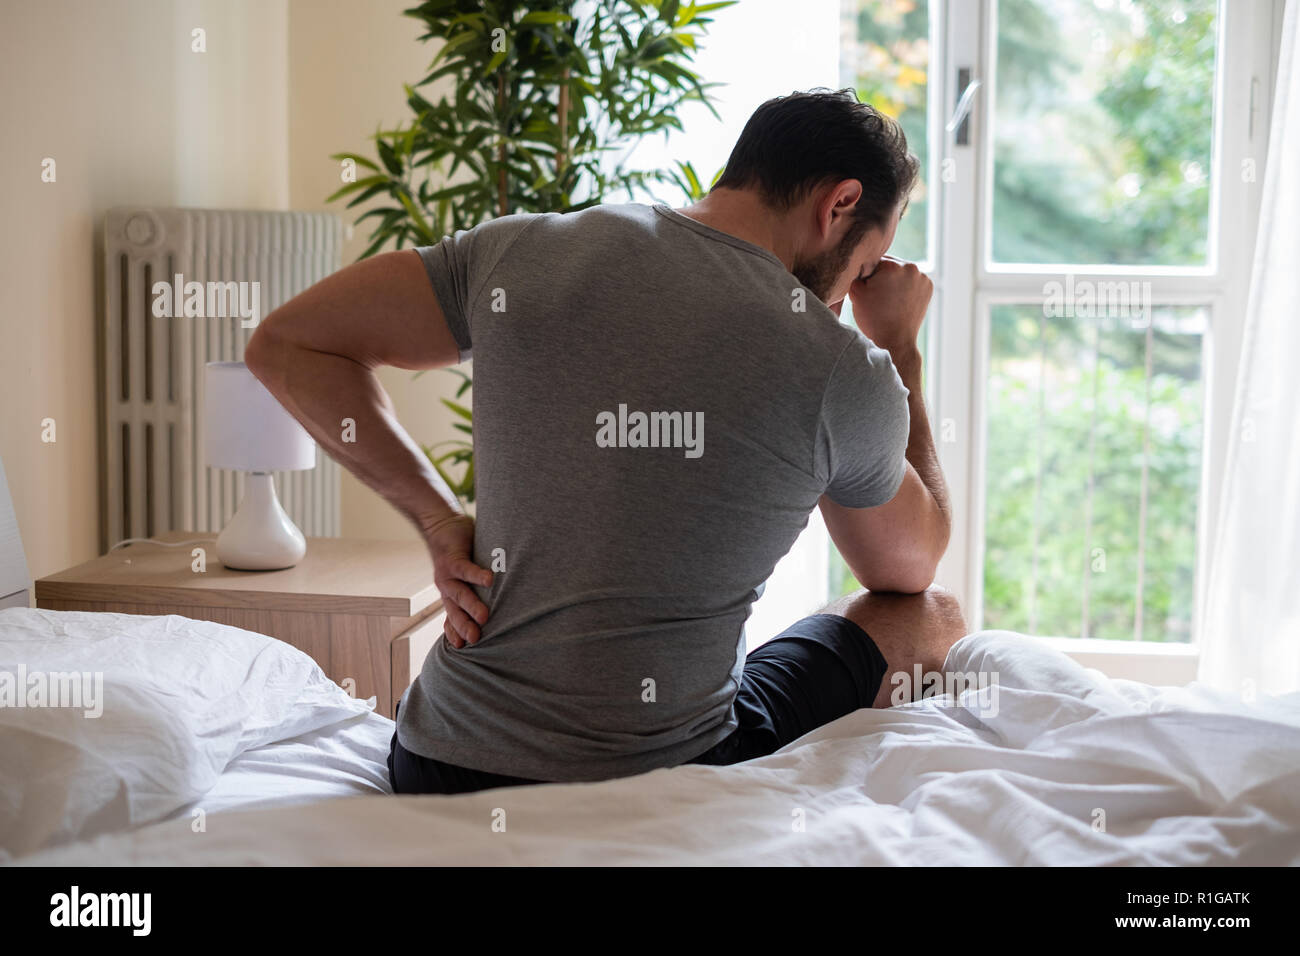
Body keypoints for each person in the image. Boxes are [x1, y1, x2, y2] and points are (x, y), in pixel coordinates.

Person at [246, 88, 965, 796]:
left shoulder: (521, 250)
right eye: (864, 265)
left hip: (439, 765)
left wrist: (437, 518)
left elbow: (288, 345)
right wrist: (898, 347)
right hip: (670, 770)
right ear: (839, 204)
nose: (845, 297)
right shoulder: (839, 364)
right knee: (932, 615)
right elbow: (909, 567)